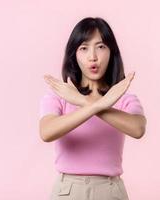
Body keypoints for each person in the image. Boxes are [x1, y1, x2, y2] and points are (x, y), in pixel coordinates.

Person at [39, 17, 147, 200]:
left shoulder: (123, 98)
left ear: (111, 52)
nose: (93, 57)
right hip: (67, 191)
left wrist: (85, 103)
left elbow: (138, 129)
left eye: (101, 46)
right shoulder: (59, 96)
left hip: (110, 190)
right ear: (74, 55)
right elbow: (46, 132)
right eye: (84, 48)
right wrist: (93, 104)